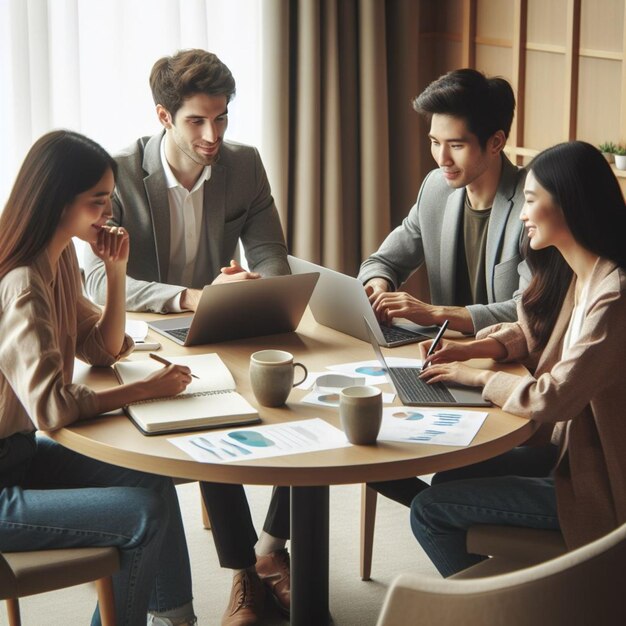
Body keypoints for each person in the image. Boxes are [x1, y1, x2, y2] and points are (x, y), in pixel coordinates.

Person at [83, 49, 291, 625]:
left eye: (222, 118)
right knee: (211, 417)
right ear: (164, 116)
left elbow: (271, 251)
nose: (213, 134)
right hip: (144, 336)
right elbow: (97, 277)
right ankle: (245, 572)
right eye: (198, 120)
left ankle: (273, 552)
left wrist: (257, 291)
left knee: (299, 402)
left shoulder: (243, 164)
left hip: (220, 326)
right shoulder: (118, 173)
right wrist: (187, 297)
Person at [0, 130, 197, 626]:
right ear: (56, 201)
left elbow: (101, 349)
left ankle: (176, 619)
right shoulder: (22, 285)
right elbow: (52, 409)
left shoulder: (60, 255)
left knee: (149, 475)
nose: (108, 212)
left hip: (17, 457)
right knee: (142, 514)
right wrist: (145, 389)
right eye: (98, 201)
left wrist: (116, 273)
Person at [411, 140, 626, 577]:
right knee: (452, 478)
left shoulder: (614, 297)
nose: (523, 215)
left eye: (531, 201)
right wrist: (475, 348)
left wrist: (476, 378)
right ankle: (524, 595)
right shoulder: (584, 277)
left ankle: (498, 606)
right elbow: (540, 337)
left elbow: (556, 396)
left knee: (429, 510)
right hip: (569, 455)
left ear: (568, 204)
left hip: (600, 484)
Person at [359, 68, 528, 336]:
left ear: (496, 142)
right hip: (445, 353)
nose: (442, 159)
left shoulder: (532, 203)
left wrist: (434, 313)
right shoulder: (436, 188)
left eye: (456, 146)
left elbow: (528, 310)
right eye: (435, 142)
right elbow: (383, 262)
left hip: (511, 362)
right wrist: (377, 287)